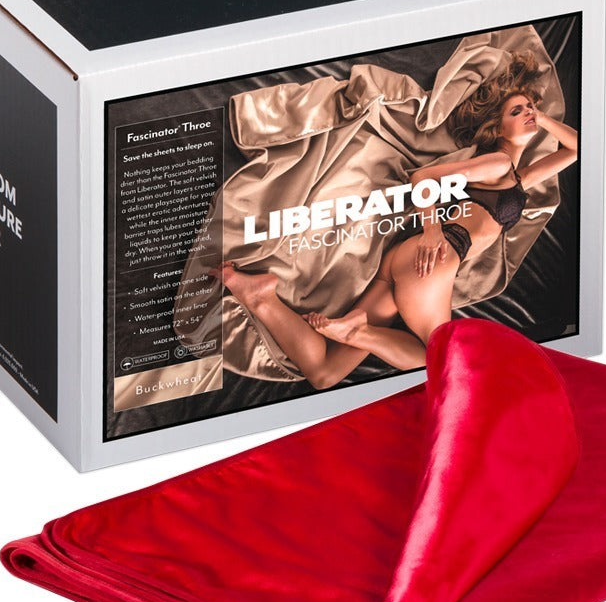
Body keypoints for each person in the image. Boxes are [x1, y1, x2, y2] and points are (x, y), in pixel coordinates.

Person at [219, 52, 578, 389]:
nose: (528, 113)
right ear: (498, 128)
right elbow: (424, 177)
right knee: (439, 359)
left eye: (530, 108)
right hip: (433, 259)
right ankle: (359, 332)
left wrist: (540, 115)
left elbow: (576, 148)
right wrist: (432, 231)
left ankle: (261, 298)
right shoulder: (498, 164)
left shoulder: (515, 176)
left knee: (324, 373)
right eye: (518, 111)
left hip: (407, 265)